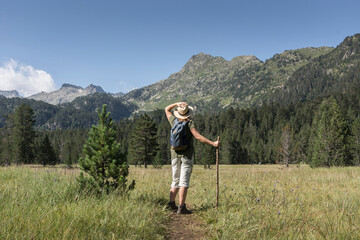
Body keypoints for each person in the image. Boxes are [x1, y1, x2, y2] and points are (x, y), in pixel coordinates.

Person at [165, 102, 219, 214]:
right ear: (188, 113)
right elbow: (198, 137)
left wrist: (176, 103)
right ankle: (181, 207)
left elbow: (166, 109)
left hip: (174, 155)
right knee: (183, 181)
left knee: (175, 180)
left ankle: (171, 204)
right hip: (186, 156)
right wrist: (213, 144)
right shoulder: (189, 123)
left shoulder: (173, 121)